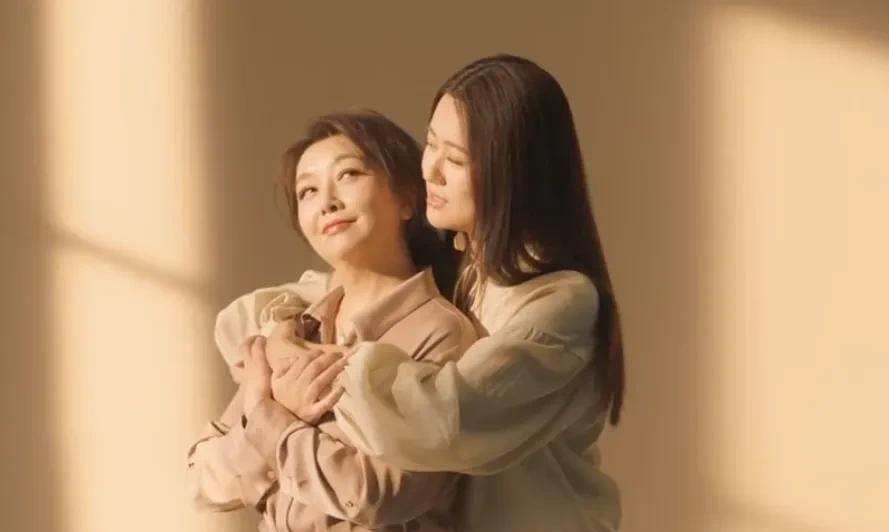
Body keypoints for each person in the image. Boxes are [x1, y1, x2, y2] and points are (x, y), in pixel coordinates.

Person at [250, 54, 626, 532]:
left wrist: (299, 376)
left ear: (513, 173)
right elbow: (277, 303)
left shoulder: (561, 303)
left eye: (456, 159)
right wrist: (281, 339)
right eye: (431, 144)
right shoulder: (456, 268)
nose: (431, 171)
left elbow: (446, 420)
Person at [187, 110, 478, 531]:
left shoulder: (441, 332)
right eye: (307, 191)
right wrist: (280, 413)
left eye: (348, 175)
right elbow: (202, 482)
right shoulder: (294, 330)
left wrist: (269, 417)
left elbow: (381, 494)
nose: (327, 202)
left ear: (407, 198)